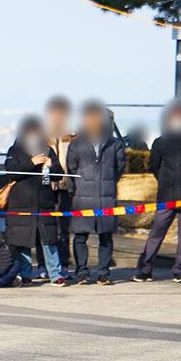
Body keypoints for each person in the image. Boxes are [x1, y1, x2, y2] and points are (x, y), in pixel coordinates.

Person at [0, 116, 65, 289]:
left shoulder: (48, 150)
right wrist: (31, 162)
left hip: (44, 203)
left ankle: (55, 275)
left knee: (49, 241)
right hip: (20, 204)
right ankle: (26, 274)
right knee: (23, 243)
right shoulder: (15, 150)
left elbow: (59, 174)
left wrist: (51, 166)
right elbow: (11, 172)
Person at [134, 101, 181, 284]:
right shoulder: (160, 142)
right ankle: (145, 269)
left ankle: (179, 270)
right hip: (166, 195)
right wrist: (165, 181)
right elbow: (154, 166)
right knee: (156, 233)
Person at [68, 100, 126, 286]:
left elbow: (119, 169)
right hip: (82, 197)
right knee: (80, 237)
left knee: (105, 237)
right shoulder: (76, 144)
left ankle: (103, 272)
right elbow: (71, 169)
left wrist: (106, 184)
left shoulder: (114, 144)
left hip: (105, 197)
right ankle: (82, 273)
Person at [44, 95, 76, 277]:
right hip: (47, 187)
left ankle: (64, 263)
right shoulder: (43, 135)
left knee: (64, 229)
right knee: (48, 228)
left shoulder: (72, 136)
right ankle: (48, 266)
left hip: (66, 187)